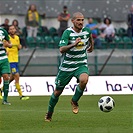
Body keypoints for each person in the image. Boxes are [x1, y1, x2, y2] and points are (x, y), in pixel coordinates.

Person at [45, 12, 94, 122]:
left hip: (81, 64)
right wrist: (73, 44)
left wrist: (91, 46)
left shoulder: (86, 30)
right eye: (78, 20)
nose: (81, 22)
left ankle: (74, 101)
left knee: (84, 79)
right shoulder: (67, 33)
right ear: (73, 21)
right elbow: (61, 49)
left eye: (82, 20)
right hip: (67, 67)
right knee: (57, 92)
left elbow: (89, 36)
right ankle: (49, 113)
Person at [6, 25, 29, 100]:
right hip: (10, 60)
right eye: (10, 29)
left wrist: (19, 47)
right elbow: (5, 47)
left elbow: (18, 47)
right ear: (9, 31)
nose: (12, 30)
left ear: (15, 30)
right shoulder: (7, 38)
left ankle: (1, 90)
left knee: (12, 78)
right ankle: (21, 95)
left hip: (16, 60)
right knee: (17, 76)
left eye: (13, 29)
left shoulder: (17, 38)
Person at [0, 27, 12, 105]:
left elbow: (10, 44)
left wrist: (8, 44)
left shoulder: (3, 31)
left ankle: (5, 99)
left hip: (4, 59)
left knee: (6, 77)